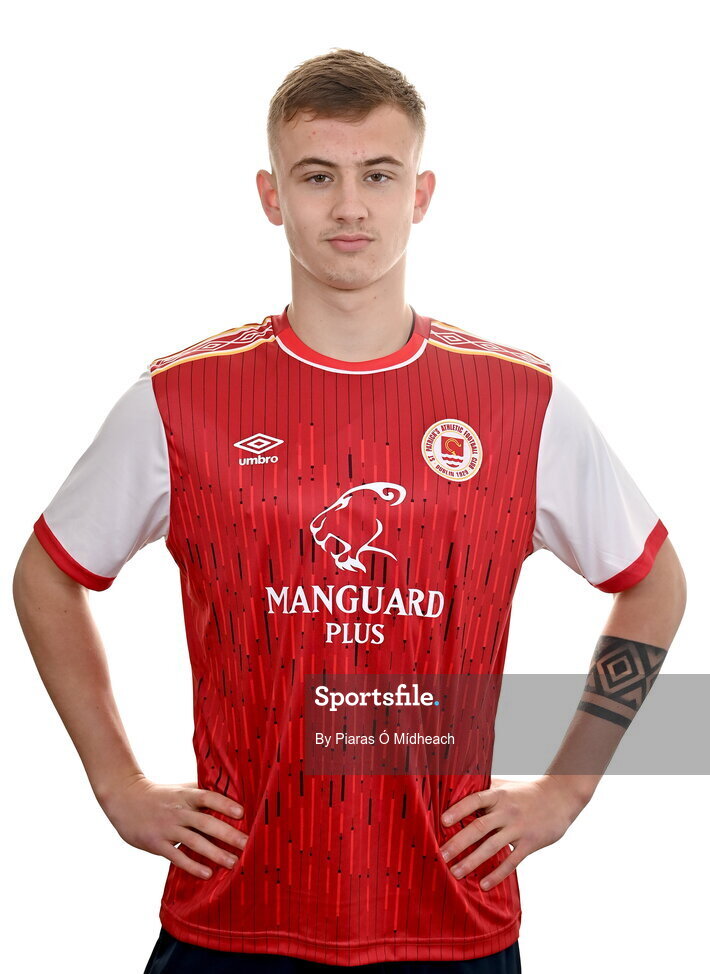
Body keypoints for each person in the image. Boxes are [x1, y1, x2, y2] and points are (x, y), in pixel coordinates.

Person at [13, 48, 686, 974]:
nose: (350, 207)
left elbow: (655, 585)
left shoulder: (520, 403)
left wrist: (568, 787)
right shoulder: (181, 399)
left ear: (421, 194)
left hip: (451, 914)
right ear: (270, 195)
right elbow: (46, 577)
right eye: (317, 176)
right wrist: (116, 782)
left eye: (378, 174)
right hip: (234, 909)